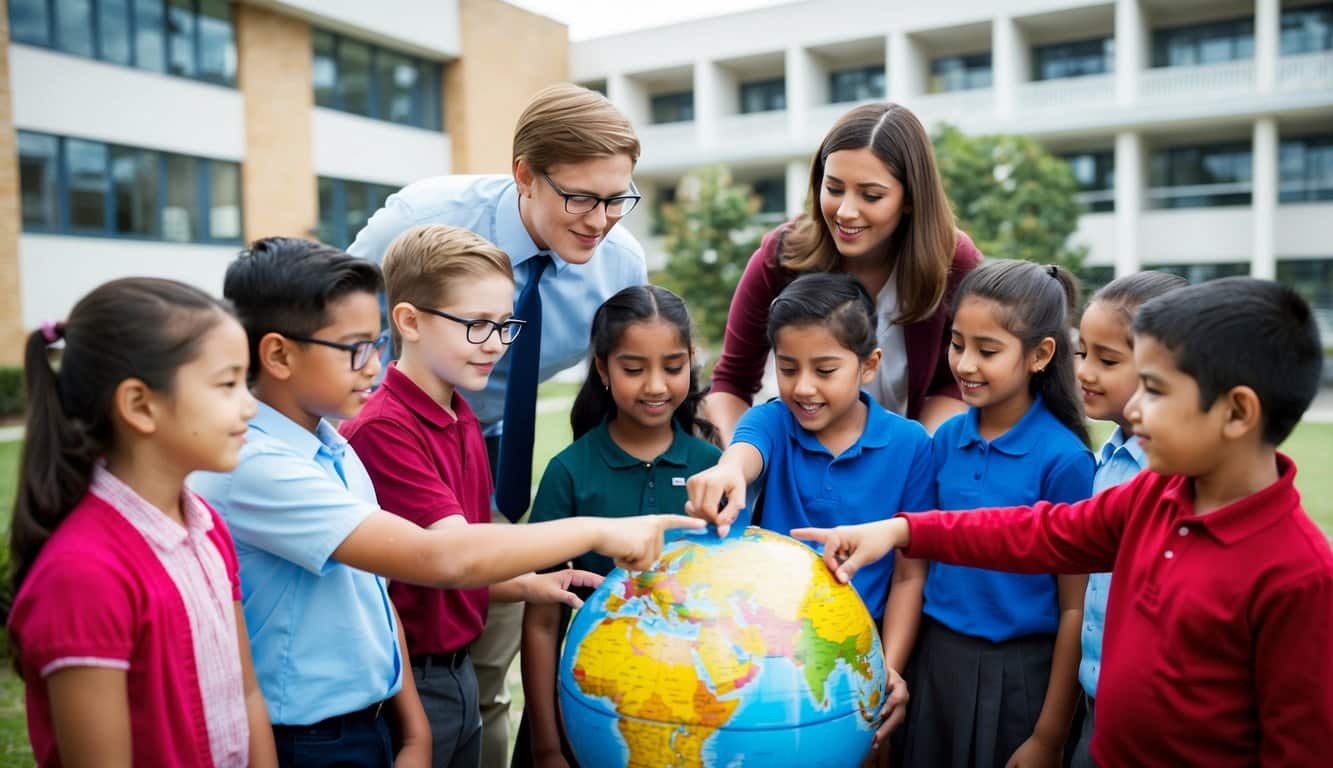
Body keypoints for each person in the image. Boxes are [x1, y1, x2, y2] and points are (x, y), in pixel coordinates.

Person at [190, 238, 700, 767]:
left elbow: (376, 593)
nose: (373, 364)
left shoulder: (333, 447)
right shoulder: (261, 464)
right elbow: (444, 555)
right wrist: (598, 532)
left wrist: (414, 731)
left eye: (376, 341)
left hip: (384, 710)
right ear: (277, 354)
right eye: (356, 347)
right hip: (312, 735)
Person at [794, 277, 1333, 766]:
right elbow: (1040, 532)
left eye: (1157, 390)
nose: (1135, 409)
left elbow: (1299, 747)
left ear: (1238, 412)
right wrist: (901, 530)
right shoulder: (1154, 495)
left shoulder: (1298, 575)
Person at [347, 84, 648, 765]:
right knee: (394, 658)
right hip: (392, 452)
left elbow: (618, 379)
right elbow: (337, 326)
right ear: (524, 175)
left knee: (481, 674)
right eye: (579, 197)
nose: (600, 220)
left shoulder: (620, 262)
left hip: (482, 452)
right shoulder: (422, 220)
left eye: (616, 198)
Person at [339, 225, 604, 768]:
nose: (495, 344)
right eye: (477, 325)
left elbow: (458, 560)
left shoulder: (462, 415)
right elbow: (453, 555)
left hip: (459, 673)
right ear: (409, 320)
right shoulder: (384, 430)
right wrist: (596, 531)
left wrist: (528, 583)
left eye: (505, 325)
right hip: (410, 684)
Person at [7, 278, 276, 767]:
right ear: (139, 405)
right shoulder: (83, 575)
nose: (250, 405)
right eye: (227, 384)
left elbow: (247, 694)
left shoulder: (208, 527)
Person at [685, 272, 932, 760]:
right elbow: (743, 454)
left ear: (868, 365)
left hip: (858, 665)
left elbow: (909, 575)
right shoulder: (771, 421)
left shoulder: (911, 446)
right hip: (769, 666)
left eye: (824, 370)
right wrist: (728, 471)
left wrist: (886, 670)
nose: (803, 388)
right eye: (788, 367)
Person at [514, 285, 723, 768]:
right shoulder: (570, 471)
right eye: (633, 369)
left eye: (673, 367)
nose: (655, 385)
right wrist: (547, 746)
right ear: (604, 369)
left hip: (691, 711)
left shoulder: (714, 469)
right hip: (591, 706)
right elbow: (543, 620)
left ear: (691, 361)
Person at [905, 259, 1094, 767]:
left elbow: (1075, 607)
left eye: (987, 350)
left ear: (1040, 355)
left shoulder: (1065, 460)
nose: (964, 364)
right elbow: (917, 560)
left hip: (1021, 681)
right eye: (957, 343)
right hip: (936, 663)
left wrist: (1049, 737)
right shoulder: (944, 439)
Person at [705, 102, 983, 441]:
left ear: (910, 198)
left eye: (871, 195)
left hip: (909, 461)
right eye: (834, 189)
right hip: (796, 461)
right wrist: (740, 462)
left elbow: (953, 383)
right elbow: (732, 381)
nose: (846, 211)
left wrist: (911, 460)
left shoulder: (954, 261)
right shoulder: (782, 255)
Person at [1068, 271, 1187, 768]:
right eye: (1082, 353)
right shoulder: (1111, 455)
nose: (1085, 372)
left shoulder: (1170, 472)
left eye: (1108, 360)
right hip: (1097, 700)